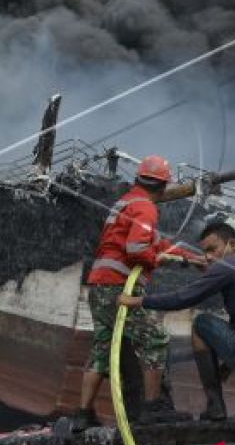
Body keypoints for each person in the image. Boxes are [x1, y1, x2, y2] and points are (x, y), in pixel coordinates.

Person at [119, 221, 235, 420]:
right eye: (205, 251)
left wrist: (136, 301)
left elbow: (182, 298)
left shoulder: (229, 264)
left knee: (201, 324)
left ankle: (215, 405)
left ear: (232, 244)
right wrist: (228, 365)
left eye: (212, 249)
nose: (208, 256)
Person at [73, 155, 200, 428]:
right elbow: (138, 250)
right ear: (163, 187)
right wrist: (158, 259)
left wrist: (192, 258)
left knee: (102, 348)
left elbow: (156, 242)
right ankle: (151, 409)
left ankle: (82, 415)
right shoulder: (146, 208)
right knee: (155, 340)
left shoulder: (126, 203)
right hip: (119, 287)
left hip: (99, 285)